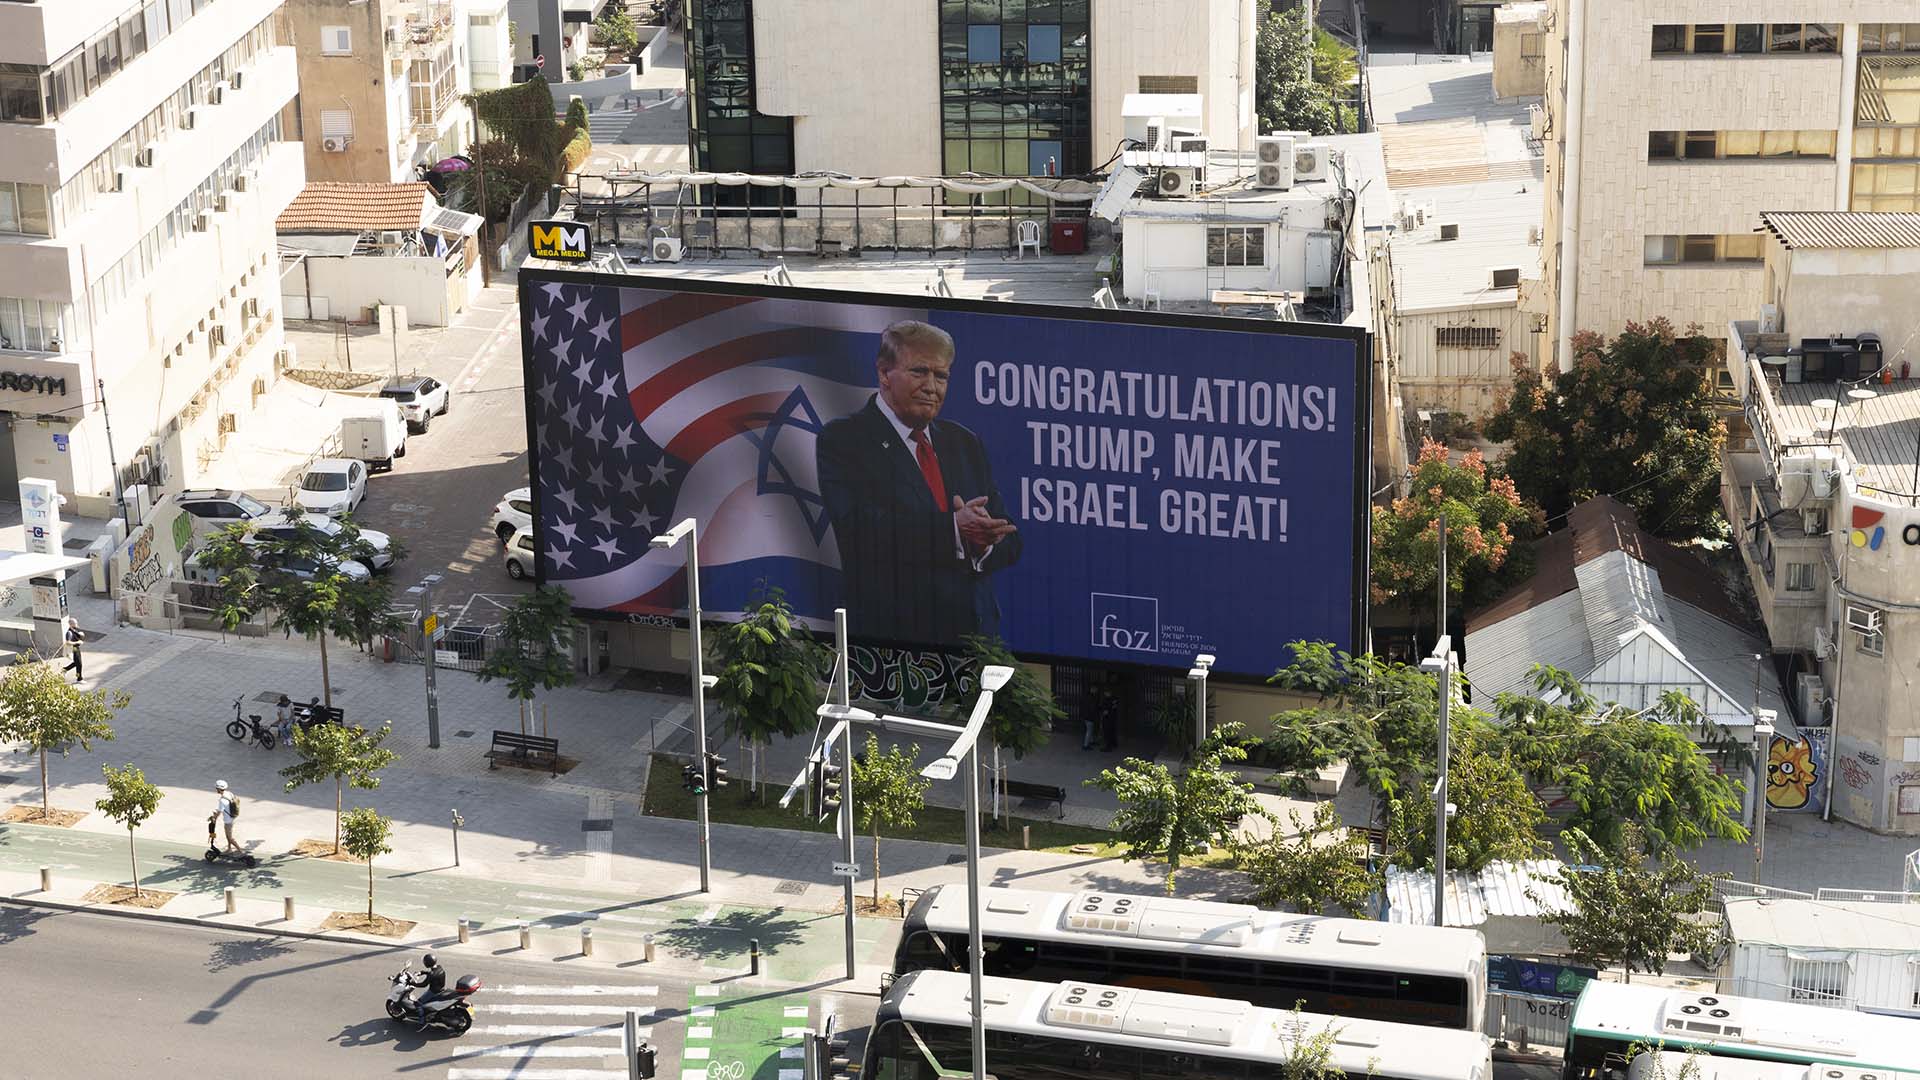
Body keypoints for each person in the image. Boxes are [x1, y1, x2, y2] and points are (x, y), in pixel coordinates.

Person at [816, 320, 1022, 646]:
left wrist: (984, 543)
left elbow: (1010, 537)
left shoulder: (964, 443)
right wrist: (954, 529)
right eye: (919, 372)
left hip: (977, 646)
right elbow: (861, 532)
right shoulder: (845, 439)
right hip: (896, 649)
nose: (932, 387)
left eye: (941, 376)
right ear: (884, 373)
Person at [409, 953, 450, 1024]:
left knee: (418, 1004)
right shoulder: (439, 968)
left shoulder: (431, 975)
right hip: (441, 989)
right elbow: (433, 973)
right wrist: (423, 972)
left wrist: (412, 983)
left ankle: (421, 1020)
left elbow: (423, 984)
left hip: (433, 992)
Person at [211, 780, 241, 853]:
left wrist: (214, 818)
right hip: (232, 816)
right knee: (228, 836)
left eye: (216, 788)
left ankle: (240, 851)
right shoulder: (229, 793)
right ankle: (229, 849)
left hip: (228, 820)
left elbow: (219, 812)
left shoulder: (222, 800)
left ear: (218, 789)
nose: (216, 790)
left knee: (230, 837)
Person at [60, 616, 83, 683]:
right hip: (73, 649)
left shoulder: (74, 630)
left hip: (76, 648)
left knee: (77, 663)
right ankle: (79, 678)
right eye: (75, 623)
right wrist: (77, 642)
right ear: (71, 624)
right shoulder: (69, 632)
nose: (76, 624)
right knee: (79, 664)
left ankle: (65, 669)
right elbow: (68, 642)